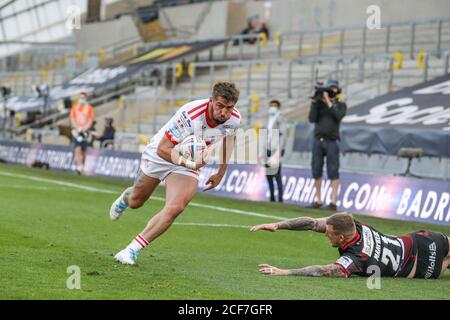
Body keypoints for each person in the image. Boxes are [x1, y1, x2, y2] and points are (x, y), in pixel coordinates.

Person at [110, 81, 241, 265]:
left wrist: (220, 173)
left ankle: (131, 250)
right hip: (162, 153)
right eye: (220, 106)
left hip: (188, 162)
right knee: (136, 201)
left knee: (176, 207)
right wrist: (189, 162)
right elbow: (164, 148)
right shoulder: (191, 115)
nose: (224, 113)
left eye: (229, 108)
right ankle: (125, 197)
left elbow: (229, 141)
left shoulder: (234, 119)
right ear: (211, 101)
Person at [250, 212, 450, 279]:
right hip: (425, 239)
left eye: (329, 234)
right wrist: (277, 225)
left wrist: (285, 272)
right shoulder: (356, 226)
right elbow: (312, 223)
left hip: (421, 266)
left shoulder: (356, 257)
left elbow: (323, 270)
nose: (326, 235)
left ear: (341, 238)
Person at [308, 80, 347, 210]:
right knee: (316, 169)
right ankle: (318, 200)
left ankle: (333, 201)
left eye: (334, 89)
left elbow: (338, 116)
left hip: (332, 141)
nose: (331, 91)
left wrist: (328, 101)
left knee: (333, 170)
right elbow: (312, 118)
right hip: (318, 140)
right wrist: (314, 101)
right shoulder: (319, 105)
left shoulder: (341, 105)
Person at [260, 100, 287, 202]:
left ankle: (280, 198)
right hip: (267, 148)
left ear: (278, 107)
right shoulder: (268, 119)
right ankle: (272, 197)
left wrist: (280, 150)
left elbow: (283, 135)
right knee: (268, 173)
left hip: (276, 149)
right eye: (271, 105)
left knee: (277, 174)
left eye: (275, 106)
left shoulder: (281, 119)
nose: (273, 108)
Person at [70, 92, 94, 174]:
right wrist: (77, 128)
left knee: (83, 151)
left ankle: (82, 166)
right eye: (80, 97)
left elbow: (90, 120)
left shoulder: (89, 108)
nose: (81, 99)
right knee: (78, 149)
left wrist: (84, 129)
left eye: (83, 97)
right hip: (76, 132)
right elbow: (72, 119)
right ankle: (79, 167)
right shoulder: (75, 107)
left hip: (85, 132)